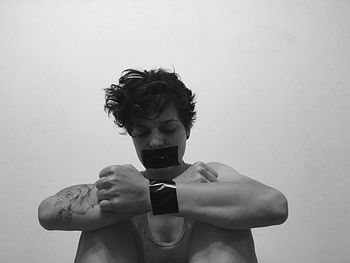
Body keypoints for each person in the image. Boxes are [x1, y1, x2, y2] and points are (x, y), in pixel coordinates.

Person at [38, 68, 288, 263]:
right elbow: (48, 213)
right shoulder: (123, 188)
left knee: (221, 218)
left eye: (168, 128)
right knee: (104, 225)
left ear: (187, 129)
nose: (156, 141)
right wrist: (163, 190)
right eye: (142, 131)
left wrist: (152, 195)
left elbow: (274, 205)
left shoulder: (210, 175)